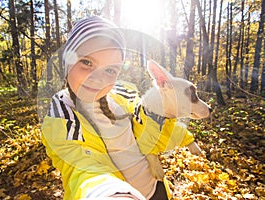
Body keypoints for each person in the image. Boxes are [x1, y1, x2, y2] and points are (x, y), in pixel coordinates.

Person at [41, 16, 196, 200]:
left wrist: (181, 133)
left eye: (110, 70)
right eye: (87, 62)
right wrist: (108, 193)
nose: (97, 78)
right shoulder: (62, 112)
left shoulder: (124, 94)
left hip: (157, 187)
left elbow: (151, 128)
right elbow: (80, 165)